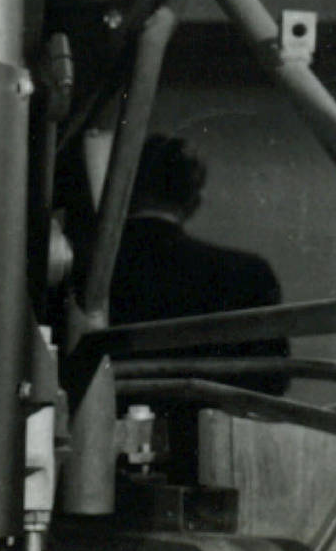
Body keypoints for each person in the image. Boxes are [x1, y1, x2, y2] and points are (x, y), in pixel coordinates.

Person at [110, 134, 289, 396]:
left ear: (122, 190)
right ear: (194, 200)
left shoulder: (79, 274)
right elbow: (273, 382)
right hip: (206, 431)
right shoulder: (248, 274)